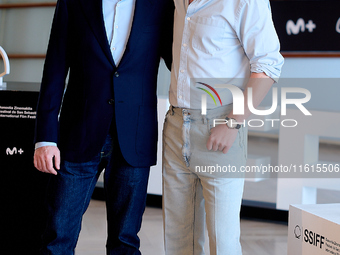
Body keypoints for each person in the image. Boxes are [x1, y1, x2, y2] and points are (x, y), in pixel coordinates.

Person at [33, 0, 173, 254]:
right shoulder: (73, 3)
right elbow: (54, 68)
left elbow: (181, 60)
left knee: (125, 241)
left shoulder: (161, 5)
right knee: (57, 237)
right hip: (78, 134)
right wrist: (45, 138)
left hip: (135, 136)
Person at [162, 0, 284, 254]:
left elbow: (268, 63)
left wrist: (233, 122)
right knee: (178, 240)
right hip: (175, 125)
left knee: (223, 241)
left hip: (220, 125)